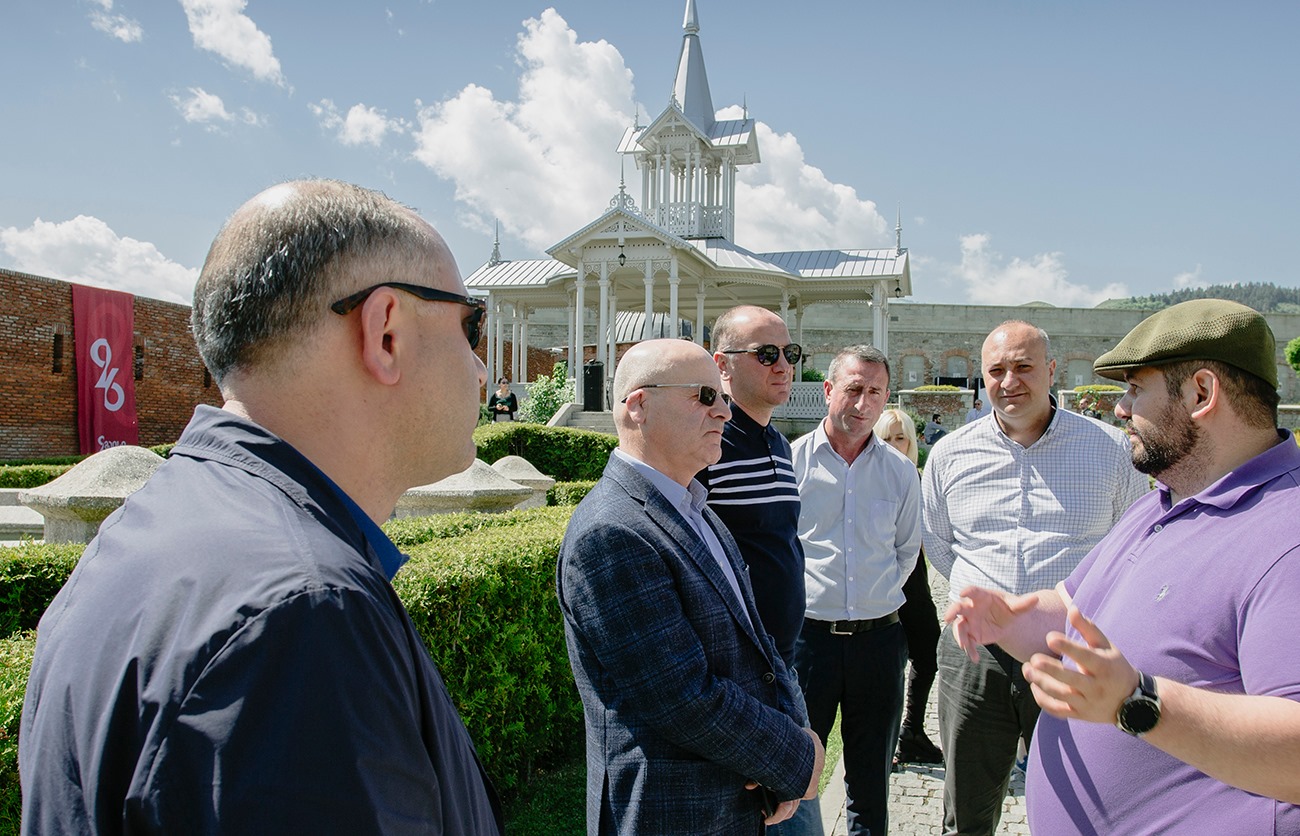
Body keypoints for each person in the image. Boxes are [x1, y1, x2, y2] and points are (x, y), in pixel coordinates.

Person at [19, 180, 503, 833]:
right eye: (471, 326)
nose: (481, 369)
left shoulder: (142, 531)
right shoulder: (305, 612)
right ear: (385, 331)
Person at [945, 300, 1300, 833]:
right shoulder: (1161, 502)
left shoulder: (1287, 533)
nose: (1120, 408)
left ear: (1202, 394)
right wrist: (1011, 618)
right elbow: (1072, 608)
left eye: (1135, 389)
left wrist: (1137, 703)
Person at [557, 338, 824, 835]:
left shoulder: (696, 507)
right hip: (672, 815)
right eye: (704, 396)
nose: (724, 411)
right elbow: (682, 697)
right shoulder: (611, 533)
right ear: (639, 406)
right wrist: (796, 758)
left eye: (721, 397)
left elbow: (758, 648)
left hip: (735, 802)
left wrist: (786, 749)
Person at [922, 320, 1148, 836]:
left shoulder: (1111, 450)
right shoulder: (949, 454)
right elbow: (939, 545)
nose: (1009, 382)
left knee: (1084, 807)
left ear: (1052, 370)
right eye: (996, 371)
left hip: (1072, 651)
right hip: (975, 654)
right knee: (967, 811)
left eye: (1023, 367)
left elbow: (1131, 547)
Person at [790, 346, 921, 836]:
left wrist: (870, 596)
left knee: (870, 782)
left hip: (878, 645)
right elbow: (781, 550)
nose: (864, 403)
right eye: (853, 389)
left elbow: (906, 551)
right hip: (808, 644)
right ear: (829, 390)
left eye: (875, 392)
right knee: (795, 773)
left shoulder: (900, 472)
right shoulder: (791, 462)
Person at [698, 305, 816, 834]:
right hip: (739, 676)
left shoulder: (778, 443)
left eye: (790, 353)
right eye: (767, 354)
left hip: (783, 665)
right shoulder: (710, 443)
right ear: (722, 365)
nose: (783, 366)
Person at [873, 408, 943, 767]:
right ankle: (883, 739)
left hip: (913, 580)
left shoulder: (916, 477)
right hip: (878, 581)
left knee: (929, 653)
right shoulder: (867, 478)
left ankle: (911, 730)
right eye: (886, 437)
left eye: (900, 438)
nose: (894, 444)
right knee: (885, 661)